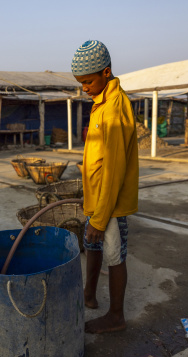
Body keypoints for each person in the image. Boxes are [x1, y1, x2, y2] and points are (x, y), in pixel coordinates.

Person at [71, 40, 139, 334]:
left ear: (106, 72)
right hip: (96, 197)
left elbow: (114, 169)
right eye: (80, 83)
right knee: (91, 244)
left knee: (114, 255)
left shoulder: (113, 107)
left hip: (109, 203)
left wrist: (100, 218)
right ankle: (88, 295)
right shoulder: (100, 102)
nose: (84, 88)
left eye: (88, 81)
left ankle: (116, 316)